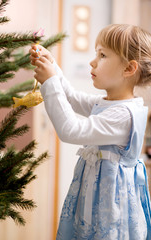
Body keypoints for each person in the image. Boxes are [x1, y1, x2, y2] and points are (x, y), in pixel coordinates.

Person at [29, 24, 151, 240]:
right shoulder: (109, 103)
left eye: (102, 55)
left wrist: (49, 82)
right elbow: (73, 98)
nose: (92, 61)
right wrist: (52, 67)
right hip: (94, 200)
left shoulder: (123, 115)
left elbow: (71, 130)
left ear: (128, 69)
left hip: (110, 211)